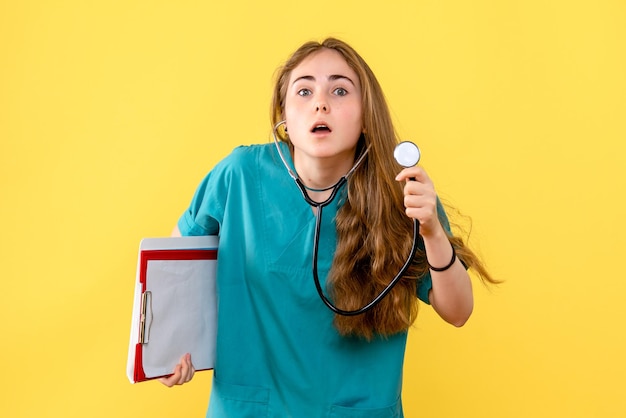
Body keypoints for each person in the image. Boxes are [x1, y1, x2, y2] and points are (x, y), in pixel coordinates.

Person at [159, 38, 496, 417]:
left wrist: (433, 230)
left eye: (339, 90)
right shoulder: (237, 175)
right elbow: (172, 272)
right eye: (304, 90)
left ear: (367, 116)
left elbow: (458, 310)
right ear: (283, 117)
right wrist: (171, 347)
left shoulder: (399, 192)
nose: (321, 103)